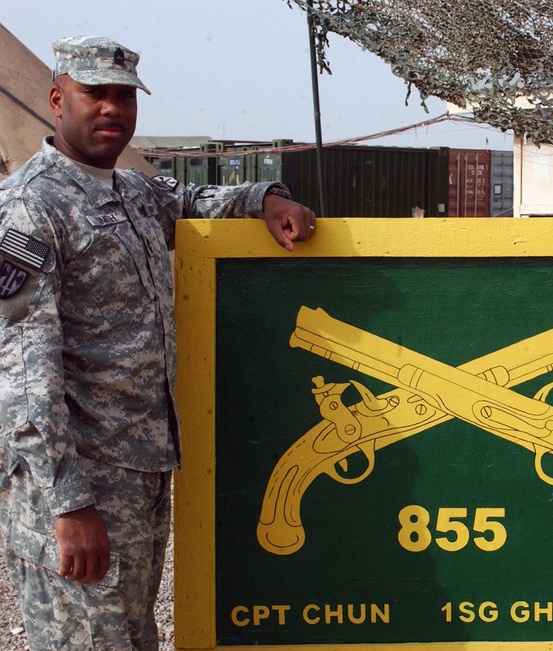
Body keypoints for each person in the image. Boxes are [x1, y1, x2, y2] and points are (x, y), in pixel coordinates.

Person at [0, 36, 316, 650]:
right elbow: (22, 374)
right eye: (96, 94)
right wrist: (68, 505)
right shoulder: (29, 210)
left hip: (141, 470)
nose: (112, 109)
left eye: (124, 96)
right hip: (81, 479)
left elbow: (195, 200)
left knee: (134, 637)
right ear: (57, 99)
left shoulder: (133, 193)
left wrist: (269, 198)